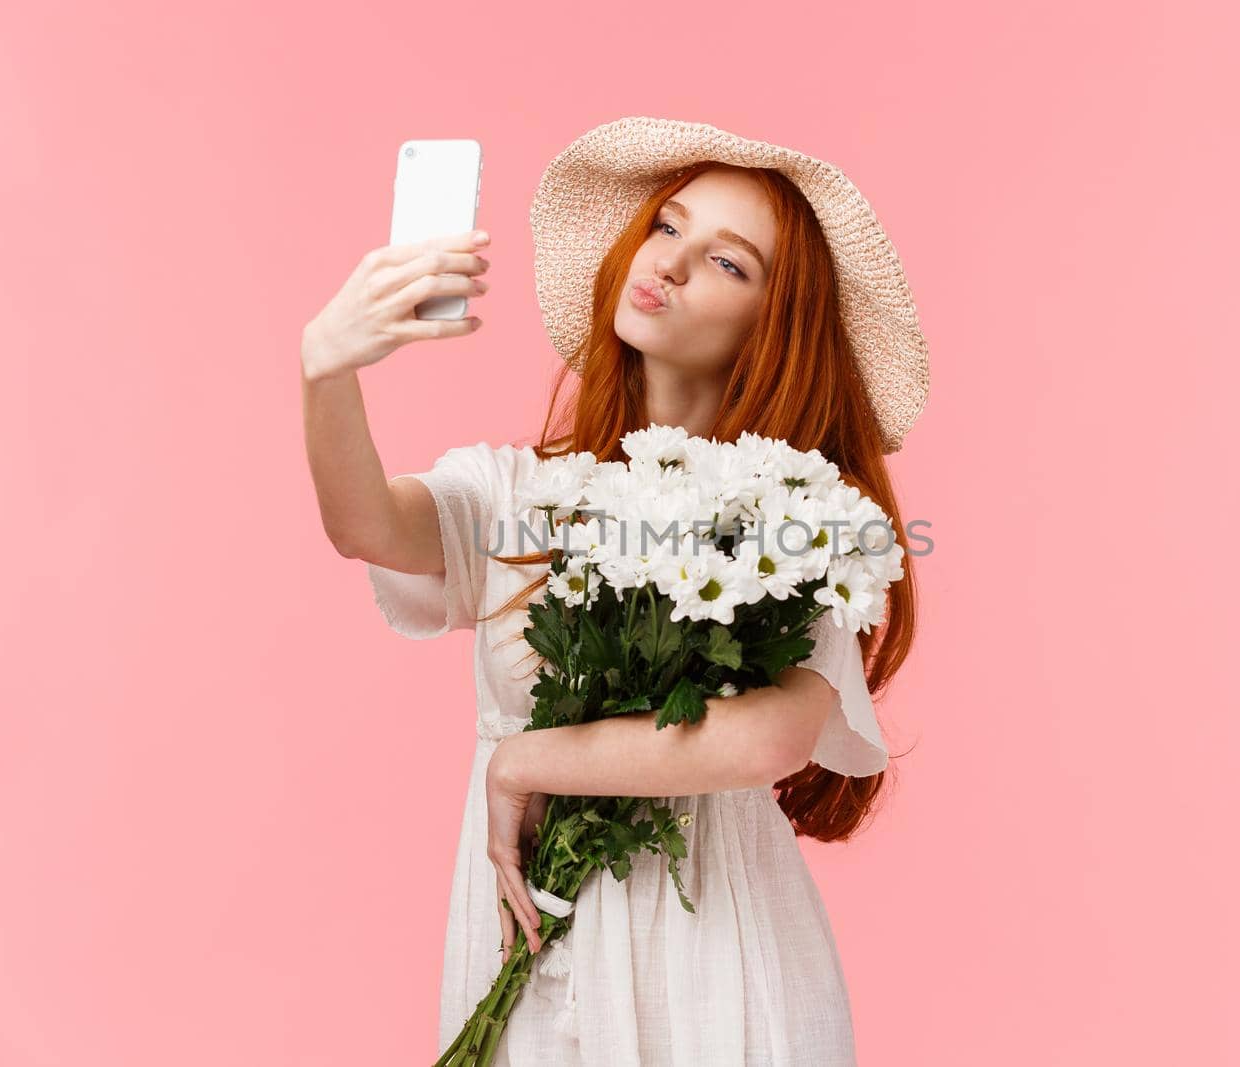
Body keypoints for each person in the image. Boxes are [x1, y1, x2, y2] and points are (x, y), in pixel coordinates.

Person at [300, 116, 930, 1065]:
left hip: (719, 966)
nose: (669, 264)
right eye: (668, 227)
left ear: (777, 324)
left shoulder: (795, 513)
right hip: (529, 941)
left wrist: (524, 761)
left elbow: (771, 734)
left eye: (729, 263)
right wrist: (327, 367)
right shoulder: (520, 494)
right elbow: (367, 527)